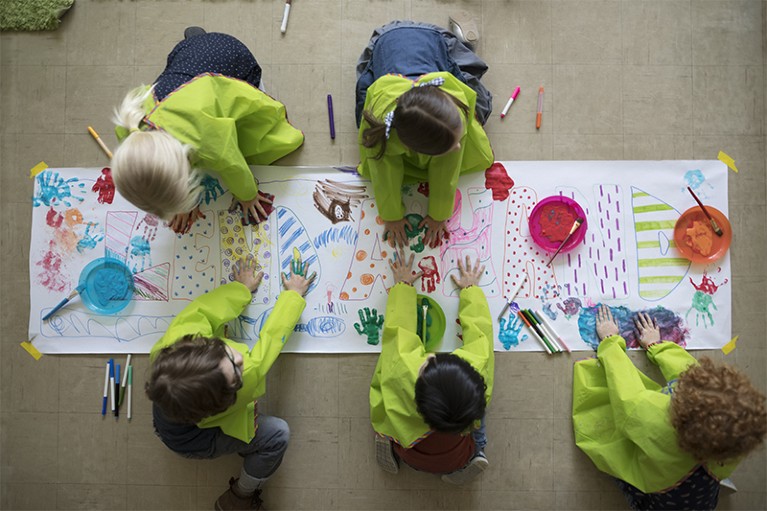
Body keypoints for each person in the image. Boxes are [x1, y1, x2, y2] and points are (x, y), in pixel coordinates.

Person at [146, 254, 315, 511]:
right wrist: (293, 297)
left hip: (172, 412)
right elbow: (270, 342)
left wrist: (241, 289)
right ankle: (241, 495)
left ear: (198, 343)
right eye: (236, 372)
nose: (239, 357)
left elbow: (207, 308)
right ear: (228, 397)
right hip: (193, 440)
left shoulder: (179, 337)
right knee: (277, 435)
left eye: (224, 353)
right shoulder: (247, 378)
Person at [573, 305, 767, 510]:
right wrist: (655, 346)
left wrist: (609, 343)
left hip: (658, 493)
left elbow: (624, 391)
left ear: (680, 413)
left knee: (624, 469)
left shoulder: (651, 418)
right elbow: (687, 372)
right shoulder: (734, 440)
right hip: (703, 490)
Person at [111, 28, 304, 234]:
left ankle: (207, 43)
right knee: (190, 62)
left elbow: (233, 165)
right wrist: (184, 203)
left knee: (258, 134)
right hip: (188, 55)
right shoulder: (130, 126)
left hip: (234, 62)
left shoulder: (207, 142)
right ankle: (197, 37)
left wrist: (247, 196)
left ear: (189, 165)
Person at [355, 20, 495, 248]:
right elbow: (382, 169)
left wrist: (440, 214)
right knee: (365, 123)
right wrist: (391, 215)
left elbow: (446, 167)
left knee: (480, 107)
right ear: (413, 147)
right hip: (385, 44)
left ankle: (459, 42)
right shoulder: (382, 127)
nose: (458, 148)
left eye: (456, 140)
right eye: (452, 145)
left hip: (436, 41)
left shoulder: (454, 105)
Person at [370, 250, 494, 484]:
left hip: (409, 450)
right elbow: (481, 336)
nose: (430, 357)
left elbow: (398, 332)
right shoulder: (477, 373)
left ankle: (386, 438)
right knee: (481, 413)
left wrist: (403, 287)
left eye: (429, 363)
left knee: (385, 387)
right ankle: (477, 451)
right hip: (456, 456)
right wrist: (471, 292)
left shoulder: (404, 373)